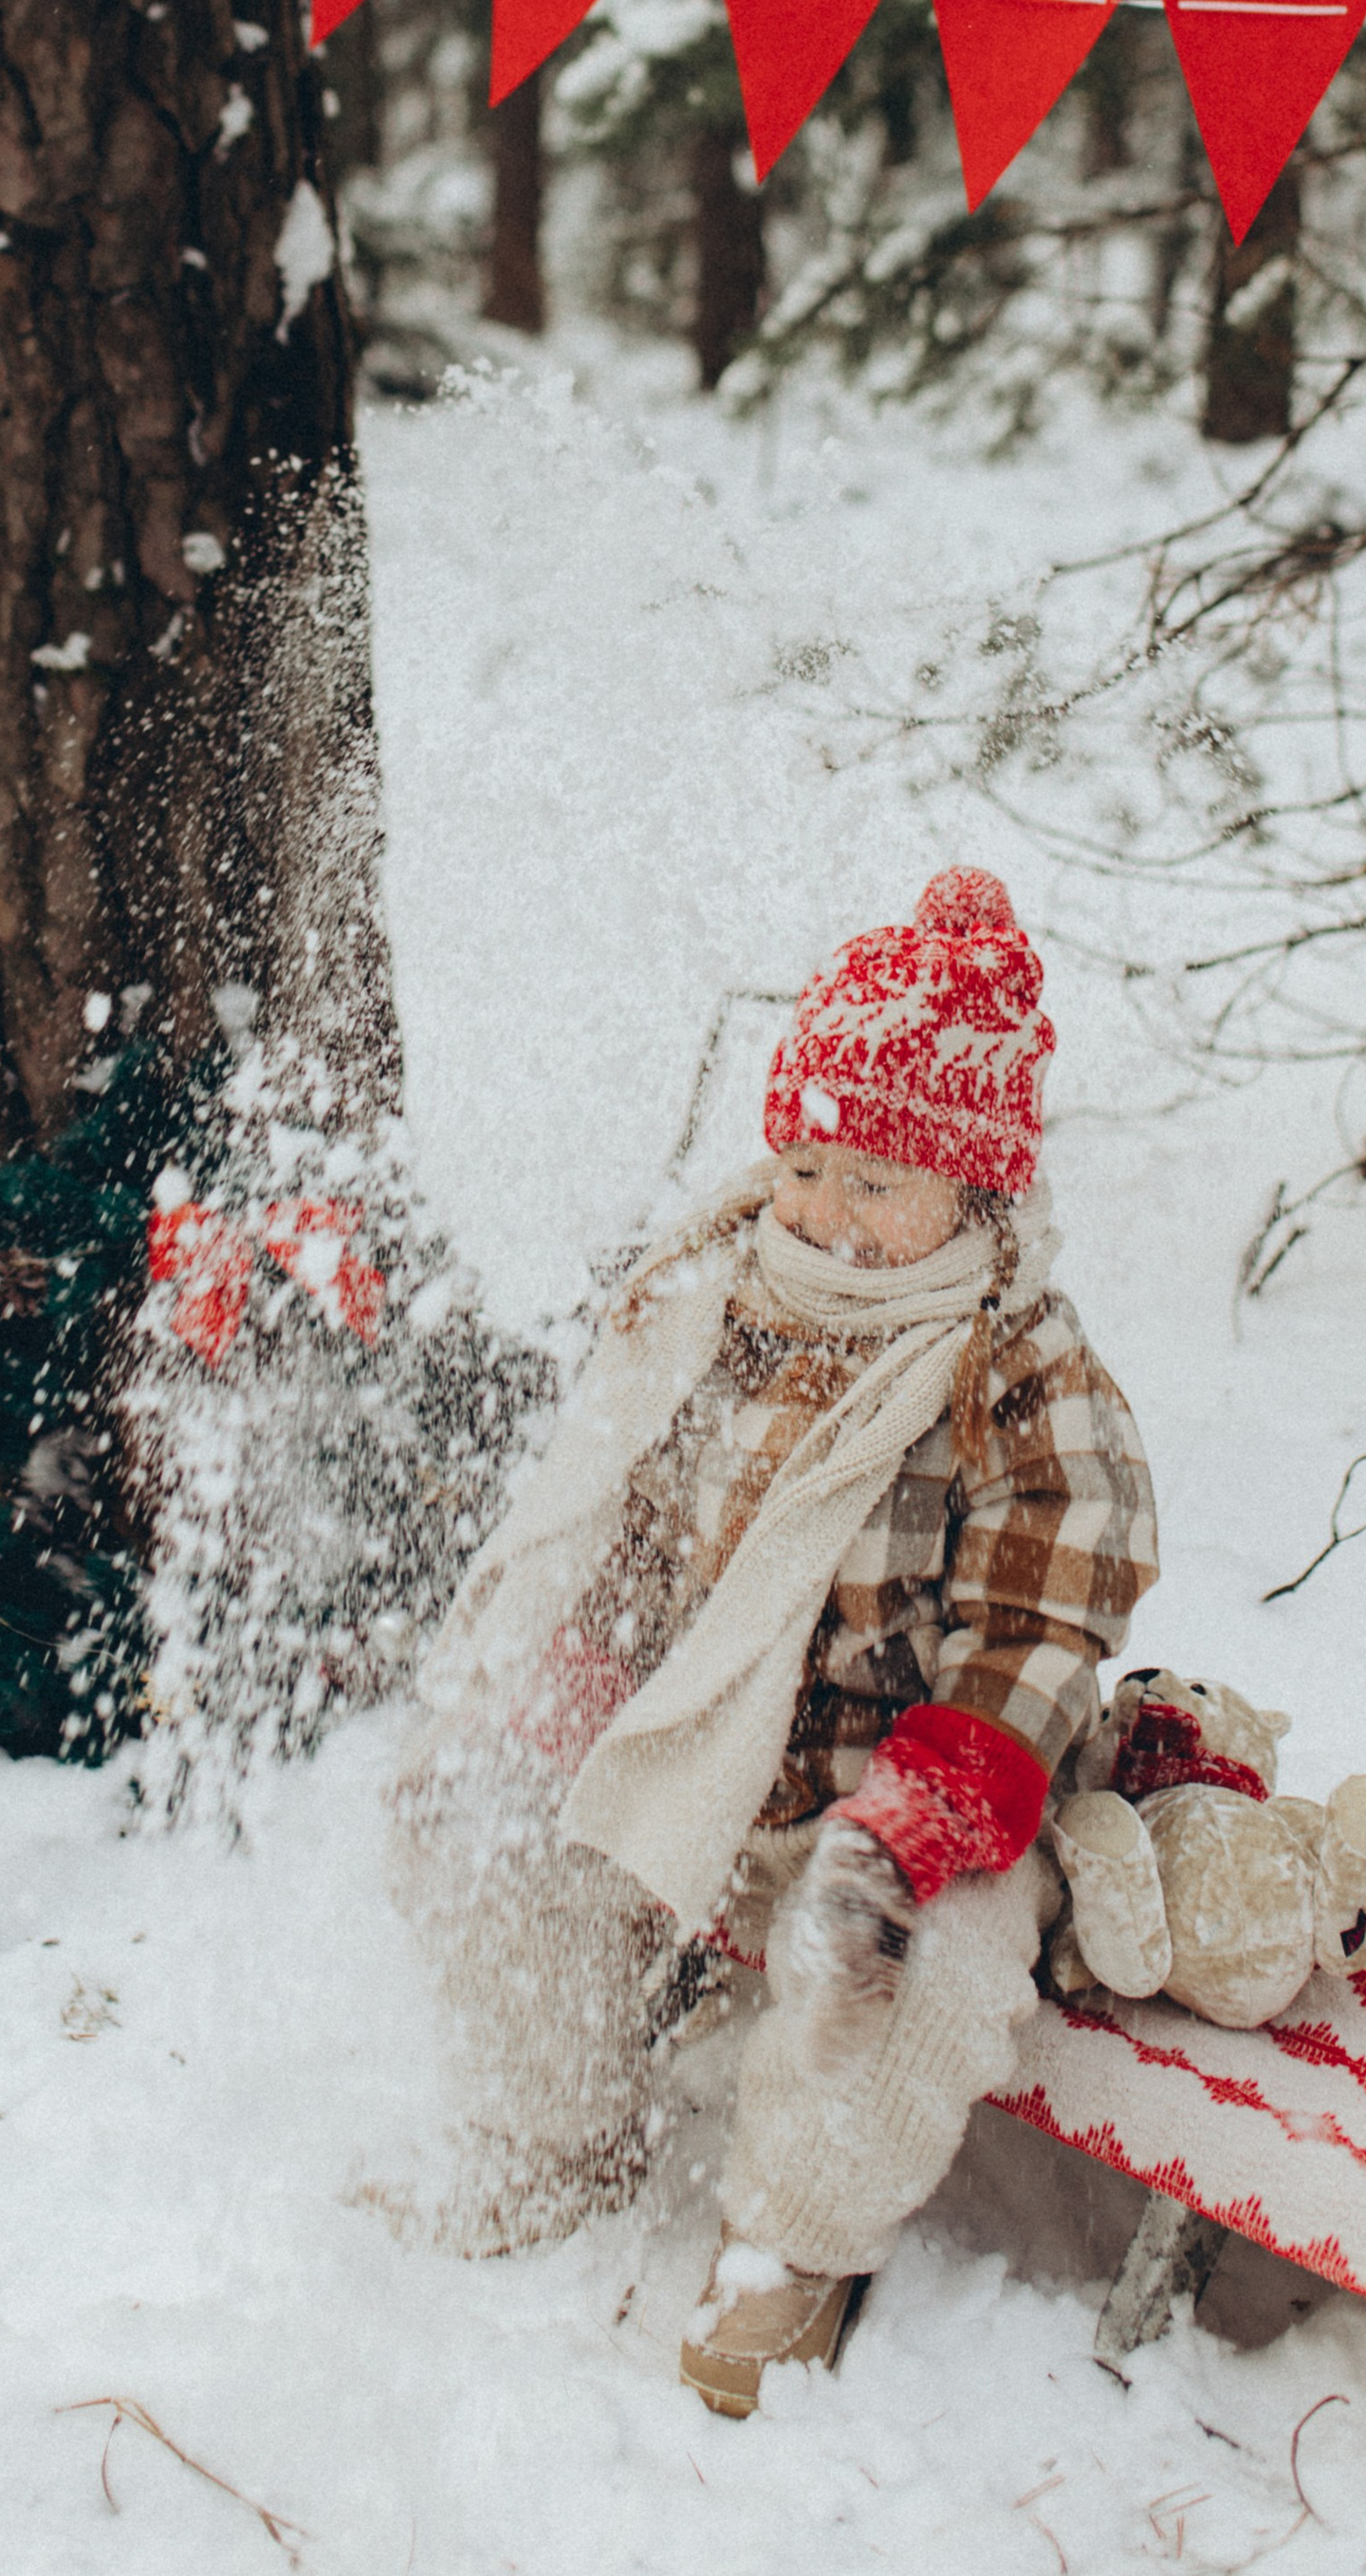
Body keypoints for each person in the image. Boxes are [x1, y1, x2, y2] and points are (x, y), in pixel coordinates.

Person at [388, 868, 1159, 2416]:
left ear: (976, 1194)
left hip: (916, 1797)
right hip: (709, 1748)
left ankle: (792, 2242)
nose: (830, 1215)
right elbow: (634, 1528)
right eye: (806, 1166)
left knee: (897, 1977)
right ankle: (559, 2119)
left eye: (880, 1186)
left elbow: (1039, 1618)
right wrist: (581, 1673)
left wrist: (911, 1827)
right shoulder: (721, 1299)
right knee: (497, 1830)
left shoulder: (1016, 1374)